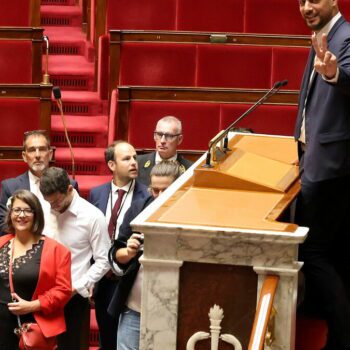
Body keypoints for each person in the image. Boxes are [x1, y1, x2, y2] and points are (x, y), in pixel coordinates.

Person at [294, 1, 350, 349]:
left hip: (332, 166)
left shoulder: (345, 37)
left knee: (312, 252)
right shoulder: (322, 36)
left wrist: (334, 74)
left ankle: (342, 337)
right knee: (330, 253)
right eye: (301, 1)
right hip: (316, 159)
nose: (306, 7)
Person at [109, 160, 183, 350]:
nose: (158, 196)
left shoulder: (190, 215)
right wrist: (129, 252)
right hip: (135, 309)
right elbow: (116, 254)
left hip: (174, 311)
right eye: (154, 190)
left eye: (165, 190)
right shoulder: (138, 209)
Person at [39, 167, 110, 350]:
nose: (53, 207)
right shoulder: (44, 208)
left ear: (70, 189)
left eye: (57, 201)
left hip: (73, 297)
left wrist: (77, 287)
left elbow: (104, 260)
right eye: (49, 202)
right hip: (41, 293)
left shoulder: (92, 216)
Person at [88, 141, 149, 350]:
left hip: (130, 279)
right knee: (107, 339)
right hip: (104, 279)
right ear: (112, 165)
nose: (134, 162)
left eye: (135, 157)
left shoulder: (147, 196)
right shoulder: (96, 194)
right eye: (126, 159)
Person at [0, 189, 72, 349]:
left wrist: (32, 305)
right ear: (10, 214)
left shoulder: (57, 250)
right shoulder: (2, 243)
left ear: (36, 215)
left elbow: (64, 290)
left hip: (34, 328)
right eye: (17, 210)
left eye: (27, 210)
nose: (21, 215)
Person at [0, 129, 78, 236]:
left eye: (42, 149)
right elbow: (3, 226)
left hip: (58, 246)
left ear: (50, 154)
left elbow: (75, 222)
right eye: (32, 150)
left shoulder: (69, 185)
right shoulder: (10, 187)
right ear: (24, 156)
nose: (37, 155)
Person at [137, 116, 192, 186]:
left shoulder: (190, 169)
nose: (162, 141)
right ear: (154, 136)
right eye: (159, 134)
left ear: (179, 139)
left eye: (169, 136)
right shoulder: (138, 163)